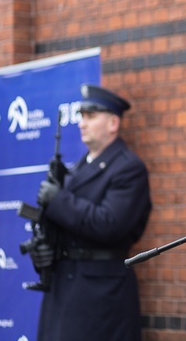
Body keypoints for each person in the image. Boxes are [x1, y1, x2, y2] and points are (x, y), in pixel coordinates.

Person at [29, 84, 152, 341]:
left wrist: (59, 200)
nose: (82, 123)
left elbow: (109, 224)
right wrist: (44, 248)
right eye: (81, 116)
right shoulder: (76, 169)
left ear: (113, 123)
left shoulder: (128, 168)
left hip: (100, 291)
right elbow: (63, 226)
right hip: (65, 286)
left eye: (91, 116)